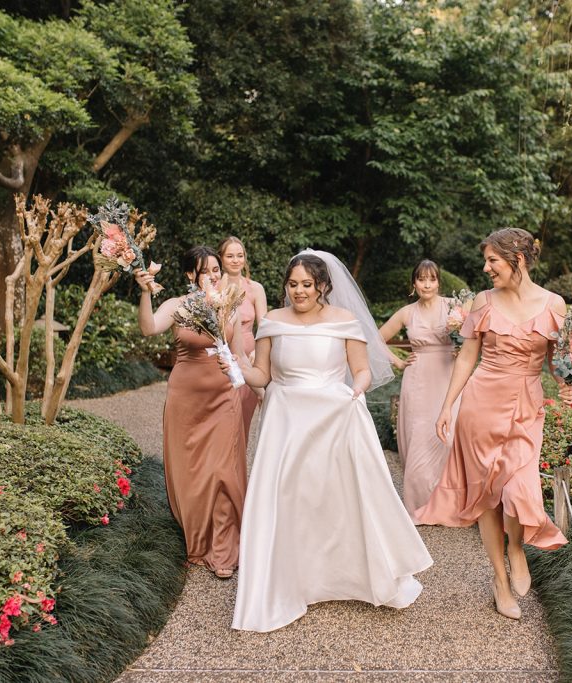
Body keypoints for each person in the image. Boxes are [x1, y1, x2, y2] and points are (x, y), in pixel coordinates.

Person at [225, 250, 432, 632]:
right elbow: (262, 376)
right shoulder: (272, 321)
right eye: (292, 284)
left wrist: (355, 391)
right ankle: (292, 582)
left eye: (307, 284)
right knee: (289, 497)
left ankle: (344, 576)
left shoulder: (345, 321)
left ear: (323, 286)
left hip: (333, 417)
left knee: (334, 497)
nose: (299, 291)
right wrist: (237, 362)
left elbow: (362, 370)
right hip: (286, 421)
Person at [415, 228, 572, 620]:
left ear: (518, 259)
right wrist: (447, 405)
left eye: (493, 261)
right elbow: (468, 357)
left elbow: (559, 361)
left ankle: (517, 547)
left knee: (519, 485)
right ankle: (500, 581)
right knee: (487, 493)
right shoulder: (483, 302)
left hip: (526, 406)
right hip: (481, 406)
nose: (486, 268)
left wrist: (567, 384)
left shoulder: (555, 304)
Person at [134, 247, 246, 578]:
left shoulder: (230, 305)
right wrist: (144, 294)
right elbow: (149, 328)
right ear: (189, 276)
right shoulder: (176, 306)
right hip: (186, 398)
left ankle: (223, 548)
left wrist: (260, 385)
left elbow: (239, 354)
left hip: (224, 396)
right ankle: (198, 539)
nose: (213, 274)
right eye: (205, 270)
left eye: (216, 268)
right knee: (192, 471)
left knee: (222, 470)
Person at [378, 260, 457, 523]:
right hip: (418, 380)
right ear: (414, 283)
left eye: (432, 279)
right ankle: (419, 507)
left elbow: (476, 337)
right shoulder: (406, 312)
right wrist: (399, 361)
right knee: (420, 438)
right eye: (421, 279)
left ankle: (449, 505)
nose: (427, 284)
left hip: (448, 377)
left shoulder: (454, 307)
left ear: (438, 283)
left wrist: (463, 348)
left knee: (450, 438)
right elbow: (375, 338)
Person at [218, 236, 269, 439]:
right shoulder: (213, 289)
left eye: (240, 255)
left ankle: (238, 468)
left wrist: (260, 351)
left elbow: (264, 326)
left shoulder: (255, 288)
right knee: (222, 419)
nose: (235, 260)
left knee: (243, 419)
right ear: (221, 259)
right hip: (221, 356)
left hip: (249, 357)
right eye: (230, 256)